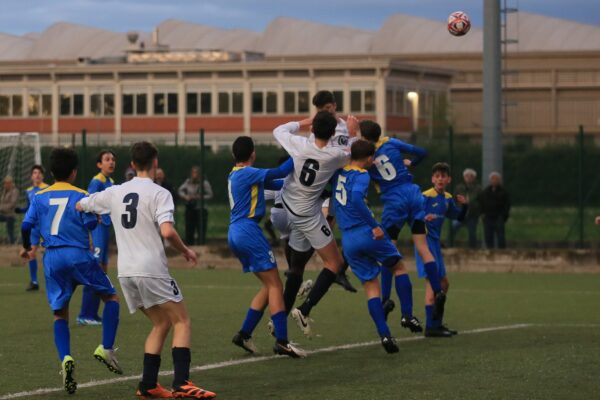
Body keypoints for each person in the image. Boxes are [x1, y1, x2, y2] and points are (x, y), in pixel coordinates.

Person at [78, 142, 216, 399]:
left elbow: (81, 205)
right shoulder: (159, 193)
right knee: (182, 320)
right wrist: (186, 250)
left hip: (126, 272)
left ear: (131, 165)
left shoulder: (115, 191)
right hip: (150, 268)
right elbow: (166, 231)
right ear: (155, 162)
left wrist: (92, 217)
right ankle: (182, 382)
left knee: (161, 322)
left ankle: (148, 385)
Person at [20, 148, 121, 395]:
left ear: (51, 171)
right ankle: (106, 348)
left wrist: (28, 247)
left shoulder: (39, 196)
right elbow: (89, 222)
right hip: (79, 255)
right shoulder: (82, 194)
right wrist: (95, 220)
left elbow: (26, 225)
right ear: (74, 172)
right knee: (111, 298)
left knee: (60, 314)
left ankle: (66, 358)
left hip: (52, 259)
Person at [273, 111, 355, 337]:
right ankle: (304, 309)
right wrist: (350, 131)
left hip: (287, 206)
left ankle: (278, 322)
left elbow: (278, 130)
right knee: (335, 263)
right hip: (308, 216)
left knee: (296, 270)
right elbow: (351, 153)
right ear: (331, 135)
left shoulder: (299, 145)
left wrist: (302, 122)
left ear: (312, 129)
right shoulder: (333, 155)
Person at [228, 136, 306, 358]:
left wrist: (305, 184)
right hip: (248, 231)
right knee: (276, 286)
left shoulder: (237, 173)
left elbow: (280, 183)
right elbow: (279, 172)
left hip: (236, 231)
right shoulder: (247, 172)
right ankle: (282, 341)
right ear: (253, 154)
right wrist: (299, 153)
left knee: (268, 285)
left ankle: (244, 334)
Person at [332, 140, 409, 353]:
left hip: (347, 239)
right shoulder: (362, 175)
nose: (373, 161)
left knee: (370, 286)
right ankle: (408, 314)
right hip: (365, 232)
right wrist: (374, 226)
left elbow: (337, 200)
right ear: (367, 158)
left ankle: (384, 334)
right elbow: (356, 198)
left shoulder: (339, 173)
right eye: (372, 158)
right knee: (399, 267)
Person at [360, 120, 437, 331]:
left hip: (394, 201)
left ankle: (386, 299)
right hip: (413, 193)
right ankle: (436, 291)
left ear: (365, 138)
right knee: (423, 247)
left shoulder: (366, 156)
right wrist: (411, 163)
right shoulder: (390, 142)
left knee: (389, 253)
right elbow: (421, 152)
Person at [416, 163, 468, 337]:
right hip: (424, 242)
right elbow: (412, 216)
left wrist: (465, 206)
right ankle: (431, 326)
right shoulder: (425, 197)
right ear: (432, 179)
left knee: (444, 284)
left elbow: (458, 216)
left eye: (443, 176)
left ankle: (436, 323)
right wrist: (423, 217)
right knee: (433, 284)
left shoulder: (447, 198)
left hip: (436, 244)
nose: (440, 179)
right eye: (437, 176)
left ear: (448, 179)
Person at [78, 150, 116, 326]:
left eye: (113, 159)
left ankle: (92, 313)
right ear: (99, 164)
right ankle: (84, 314)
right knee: (95, 269)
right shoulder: (97, 181)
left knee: (103, 270)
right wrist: (92, 236)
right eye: (107, 160)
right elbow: (89, 202)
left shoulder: (110, 182)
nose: (111, 162)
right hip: (98, 229)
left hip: (106, 228)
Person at [15, 165, 49, 291]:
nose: (37, 175)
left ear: (43, 175)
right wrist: (21, 210)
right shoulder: (28, 191)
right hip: (34, 227)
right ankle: (34, 282)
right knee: (31, 253)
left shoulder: (47, 188)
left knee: (48, 253)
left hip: (45, 226)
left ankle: (52, 279)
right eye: (35, 172)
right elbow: (30, 207)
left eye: (39, 172)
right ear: (31, 176)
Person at [179, 166, 213, 245]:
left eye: (196, 173)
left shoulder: (204, 183)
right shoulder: (188, 182)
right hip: (190, 209)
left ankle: (201, 246)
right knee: (189, 229)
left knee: (201, 230)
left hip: (200, 209)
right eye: (193, 173)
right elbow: (180, 190)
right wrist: (186, 196)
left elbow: (210, 195)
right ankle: (190, 246)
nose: (195, 175)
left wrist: (200, 197)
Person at [479, 172, 511, 249]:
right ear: (490, 180)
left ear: (499, 180)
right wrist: (483, 214)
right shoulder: (485, 191)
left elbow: (507, 205)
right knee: (488, 235)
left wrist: (504, 215)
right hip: (488, 217)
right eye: (493, 179)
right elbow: (481, 203)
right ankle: (490, 252)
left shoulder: (504, 192)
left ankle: (502, 252)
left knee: (500, 236)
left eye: (496, 179)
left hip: (499, 216)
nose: (494, 181)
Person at [452, 168, 482, 248]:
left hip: (472, 214)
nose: (469, 177)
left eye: (471, 176)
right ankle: (449, 246)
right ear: (464, 177)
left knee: (472, 232)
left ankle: (472, 249)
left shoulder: (478, 189)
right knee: (453, 228)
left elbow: (481, 202)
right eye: (467, 176)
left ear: (474, 178)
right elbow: (454, 200)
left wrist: (471, 204)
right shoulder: (459, 188)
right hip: (460, 213)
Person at [0, 176, 19, 244]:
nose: (5, 185)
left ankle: (12, 243)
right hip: (3, 214)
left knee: (10, 230)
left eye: (6, 183)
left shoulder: (15, 191)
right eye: (4, 183)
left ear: (10, 183)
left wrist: (1, 208)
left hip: (10, 215)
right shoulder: (4, 192)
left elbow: (12, 204)